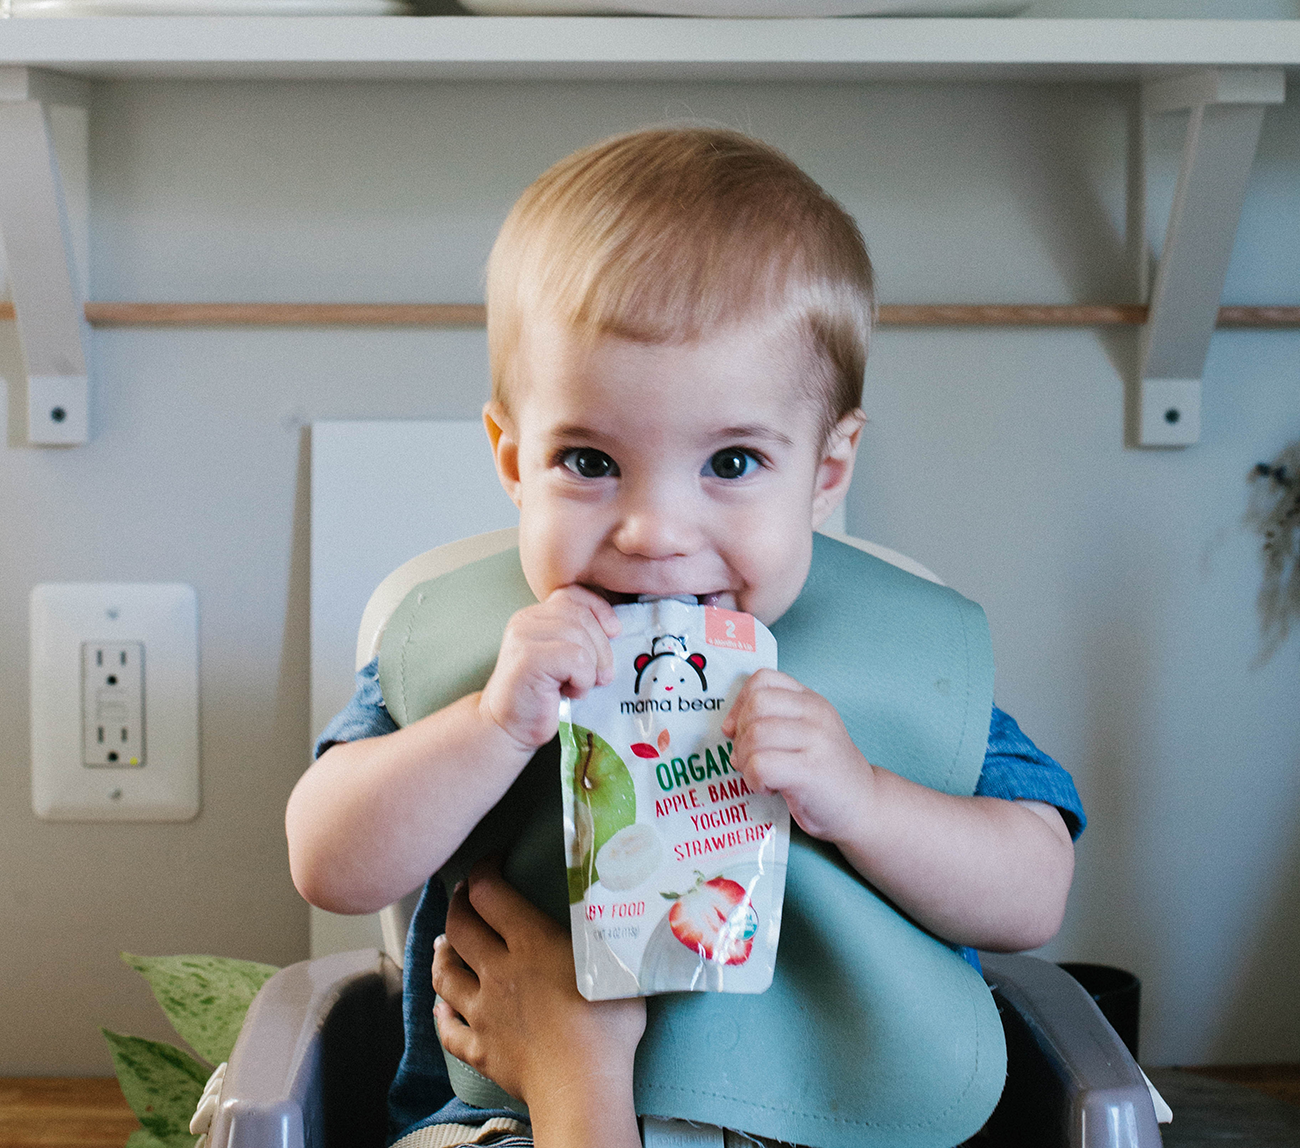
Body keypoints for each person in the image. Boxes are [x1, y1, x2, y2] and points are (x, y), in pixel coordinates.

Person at [286, 127, 1084, 1148]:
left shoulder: (891, 658)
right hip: (511, 1119)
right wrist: (491, 727)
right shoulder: (488, 652)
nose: (655, 534)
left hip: (836, 1122)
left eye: (734, 463)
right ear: (511, 454)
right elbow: (330, 860)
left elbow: (1032, 892)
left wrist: (860, 797)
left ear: (826, 470)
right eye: (587, 459)